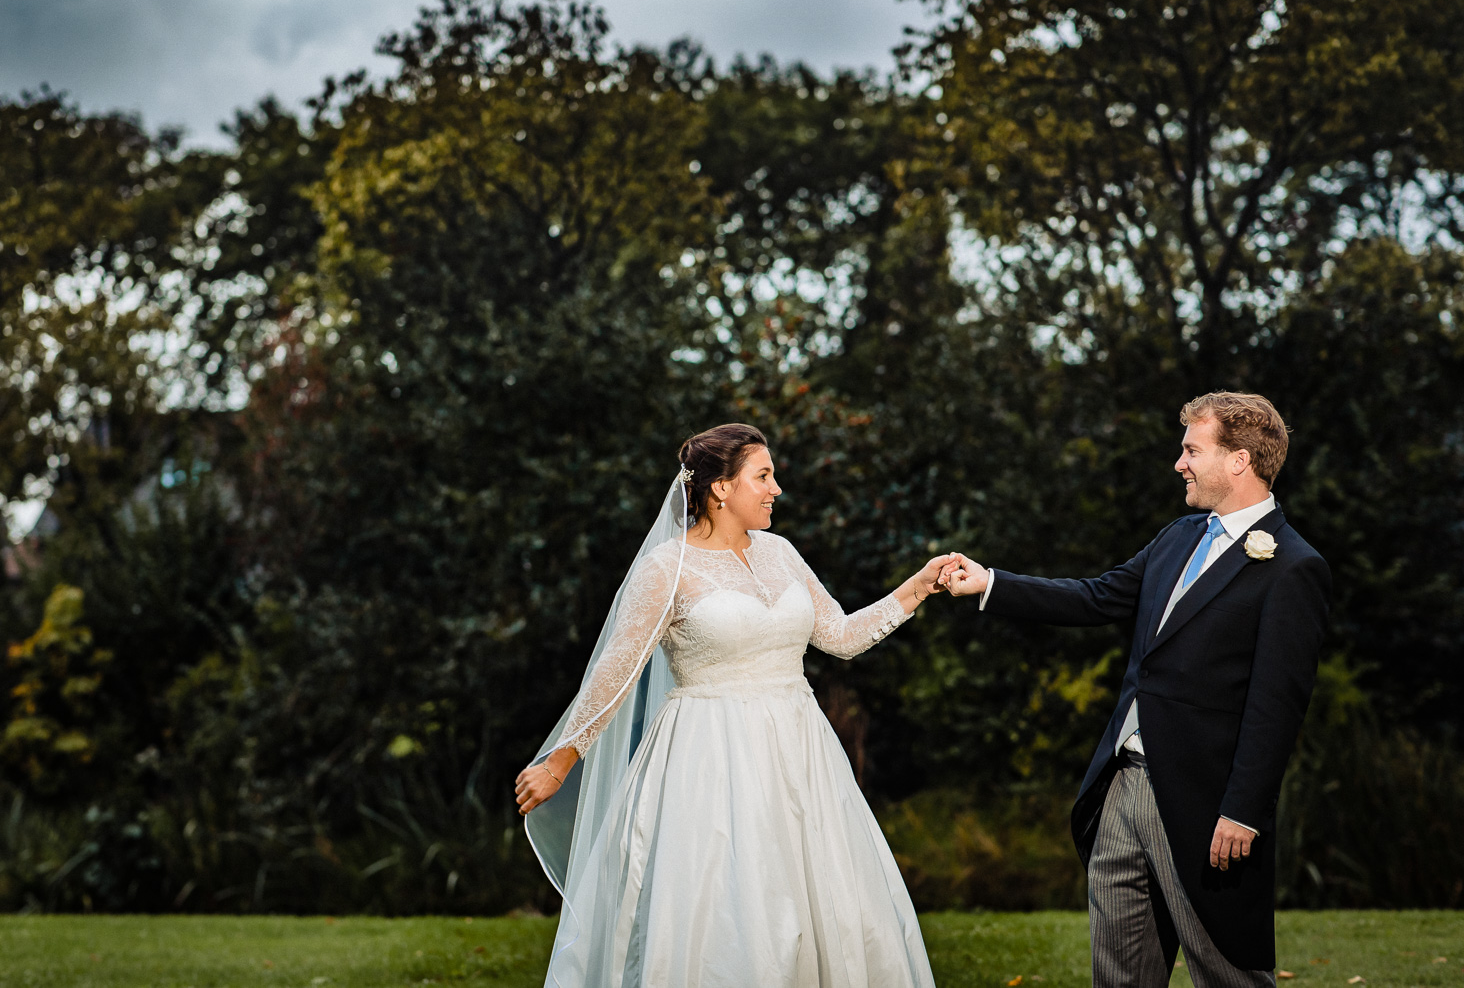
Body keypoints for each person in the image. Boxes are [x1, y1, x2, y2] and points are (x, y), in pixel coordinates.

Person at [515, 424, 947, 987]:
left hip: (800, 755)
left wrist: (918, 587)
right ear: (721, 487)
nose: (777, 489)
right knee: (728, 914)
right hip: (708, 759)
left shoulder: (782, 553)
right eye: (763, 476)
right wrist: (561, 759)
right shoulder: (666, 569)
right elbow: (616, 671)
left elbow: (840, 635)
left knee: (820, 902)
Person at [938, 392, 1330, 987]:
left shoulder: (1293, 567)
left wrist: (1243, 812)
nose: (1179, 463)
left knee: (1228, 975)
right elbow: (1096, 597)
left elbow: (1276, 706)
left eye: (1192, 450)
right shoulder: (1177, 537)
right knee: (1120, 974)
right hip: (1121, 784)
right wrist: (990, 583)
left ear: (1239, 461)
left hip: (1203, 803)